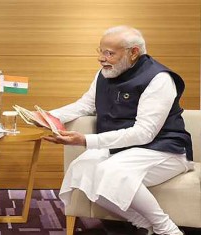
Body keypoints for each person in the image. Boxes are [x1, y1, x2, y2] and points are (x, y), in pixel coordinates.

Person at [44, 26, 193, 235]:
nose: (101, 58)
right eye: (100, 51)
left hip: (164, 149)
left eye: (109, 53)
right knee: (83, 167)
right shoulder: (104, 74)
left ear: (133, 53)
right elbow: (85, 105)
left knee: (111, 172)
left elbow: (144, 133)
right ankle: (142, 223)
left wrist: (86, 140)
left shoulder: (159, 79)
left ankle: (166, 229)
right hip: (124, 149)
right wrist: (47, 117)